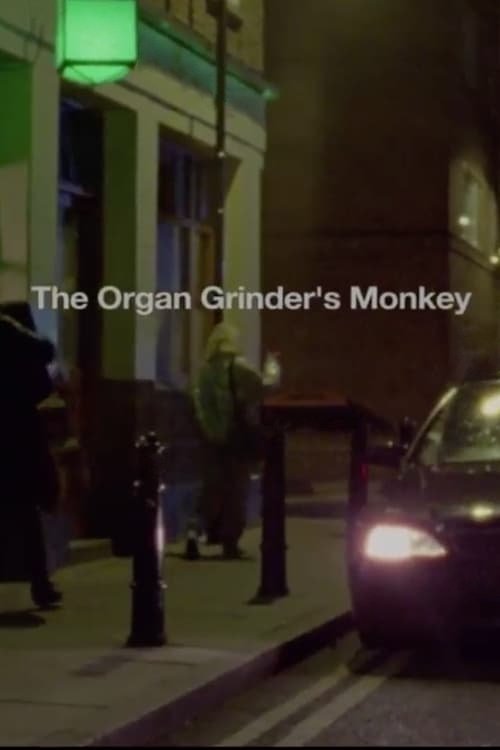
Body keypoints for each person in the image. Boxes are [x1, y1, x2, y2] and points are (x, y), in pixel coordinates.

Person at [0, 303, 62, 608]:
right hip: (18, 434)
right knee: (27, 514)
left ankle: (40, 583)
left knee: (24, 513)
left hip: (15, 435)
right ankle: (41, 584)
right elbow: (46, 353)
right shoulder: (14, 334)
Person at [192, 323, 266, 559]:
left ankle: (195, 532)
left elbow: (199, 405)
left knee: (211, 489)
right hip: (235, 440)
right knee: (236, 490)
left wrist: (211, 430)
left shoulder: (204, 372)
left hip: (211, 441)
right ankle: (229, 542)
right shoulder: (240, 366)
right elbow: (263, 386)